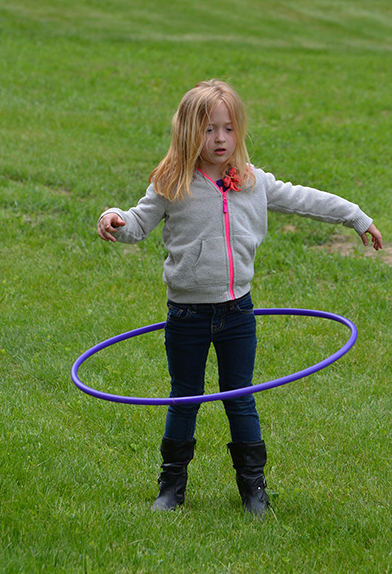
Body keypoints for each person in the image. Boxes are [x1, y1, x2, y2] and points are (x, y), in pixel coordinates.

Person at [97, 79, 382, 517]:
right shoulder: (171, 182)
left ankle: (254, 489)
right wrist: (114, 220)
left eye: (228, 129)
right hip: (187, 313)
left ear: (239, 131)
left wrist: (356, 216)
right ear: (189, 132)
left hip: (237, 312)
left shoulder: (252, 182)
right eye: (209, 129)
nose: (220, 139)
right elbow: (136, 224)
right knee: (184, 397)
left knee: (240, 396)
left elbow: (306, 199)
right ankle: (171, 485)